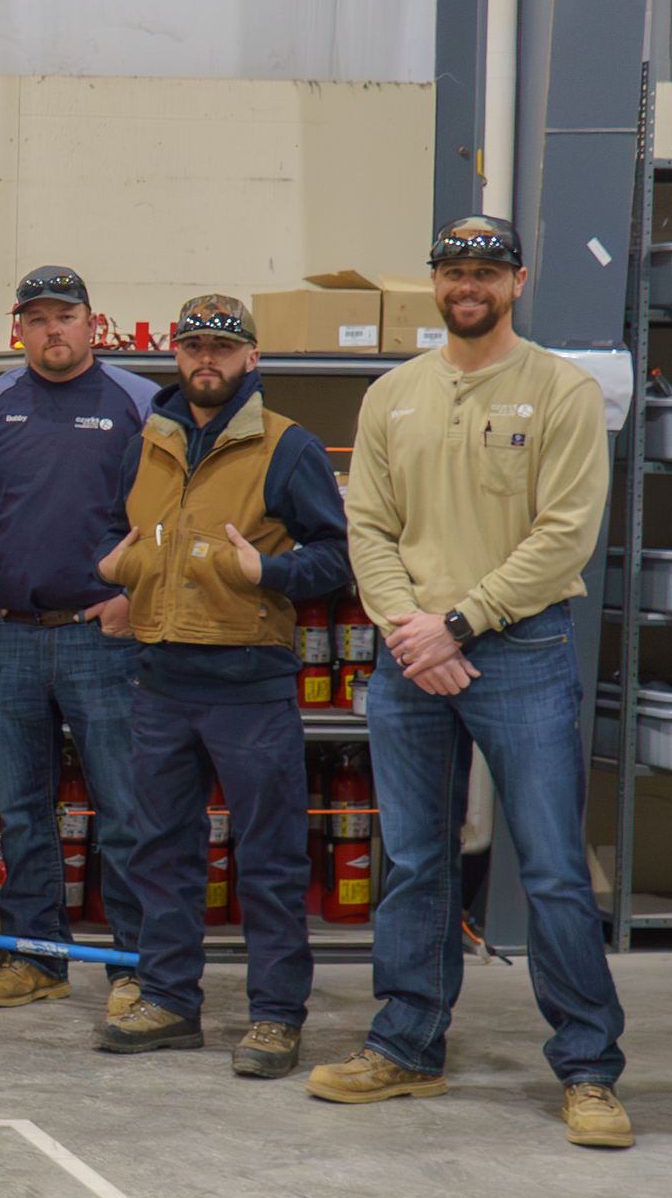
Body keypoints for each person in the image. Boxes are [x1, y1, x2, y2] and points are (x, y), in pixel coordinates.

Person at [328, 216, 632, 1148]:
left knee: (549, 868)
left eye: (486, 273)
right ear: (435, 282)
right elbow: (369, 527)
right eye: (455, 271)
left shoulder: (562, 391)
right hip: (411, 650)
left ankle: (588, 1069)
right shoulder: (393, 395)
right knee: (417, 861)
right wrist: (412, 630)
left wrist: (460, 621)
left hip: (520, 650)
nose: (470, 285)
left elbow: (566, 535)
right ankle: (408, 1045)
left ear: (518, 281)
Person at [87, 294, 350, 1073]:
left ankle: (274, 1017)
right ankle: (169, 1000)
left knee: (269, 860)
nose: (208, 360)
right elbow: (118, 529)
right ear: (177, 355)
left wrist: (265, 569)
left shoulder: (286, 447)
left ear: (251, 359)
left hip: (249, 685)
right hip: (160, 681)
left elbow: (338, 557)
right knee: (160, 853)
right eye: (194, 346)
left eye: (223, 348)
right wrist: (117, 569)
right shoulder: (147, 442)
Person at [0, 263, 161, 1015]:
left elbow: (174, 516)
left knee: (126, 808)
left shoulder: (140, 403)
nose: (51, 330)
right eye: (36, 318)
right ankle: (38, 957)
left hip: (102, 640)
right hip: (8, 638)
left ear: (91, 322)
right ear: (20, 329)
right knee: (24, 809)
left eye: (64, 316)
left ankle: (140, 969)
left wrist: (135, 599)